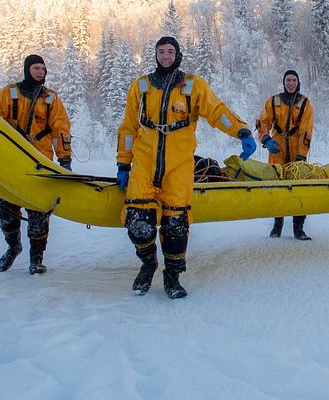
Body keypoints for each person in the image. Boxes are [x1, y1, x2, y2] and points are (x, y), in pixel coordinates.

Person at [116, 36, 256, 299]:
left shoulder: (192, 86)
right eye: (161, 51)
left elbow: (217, 112)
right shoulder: (141, 87)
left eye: (170, 52)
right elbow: (127, 128)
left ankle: (172, 276)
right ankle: (148, 264)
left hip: (179, 165)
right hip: (144, 163)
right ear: (155, 55)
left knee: (176, 225)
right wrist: (123, 163)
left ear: (178, 55)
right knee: (137, 221)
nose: (166, 56)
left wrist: (242, 131)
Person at [0, 54, 73, 274]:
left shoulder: (51, 98)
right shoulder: (9, 94)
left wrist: (65, 159)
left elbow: (60, 129)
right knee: (5, 212)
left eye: (43, 69)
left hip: (40, 166)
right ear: (27, 69)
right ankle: (13, 246)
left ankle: (36, 260)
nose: (40, 72)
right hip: (11, 164)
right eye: (36, 68)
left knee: (38, 216)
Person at [256, 69, 315, 240]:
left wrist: (302, 155)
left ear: (298, 83)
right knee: (277, 185)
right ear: (284, 82)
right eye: (288, 80)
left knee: (300, 187)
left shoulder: (305, 103)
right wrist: (266, 139)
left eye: (294, 80)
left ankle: (299, 228)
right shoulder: (274, 102)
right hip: (277, 147)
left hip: (297, 149)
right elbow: (263, 122)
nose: (291, 83)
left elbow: (306, 130)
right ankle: (277, 224)